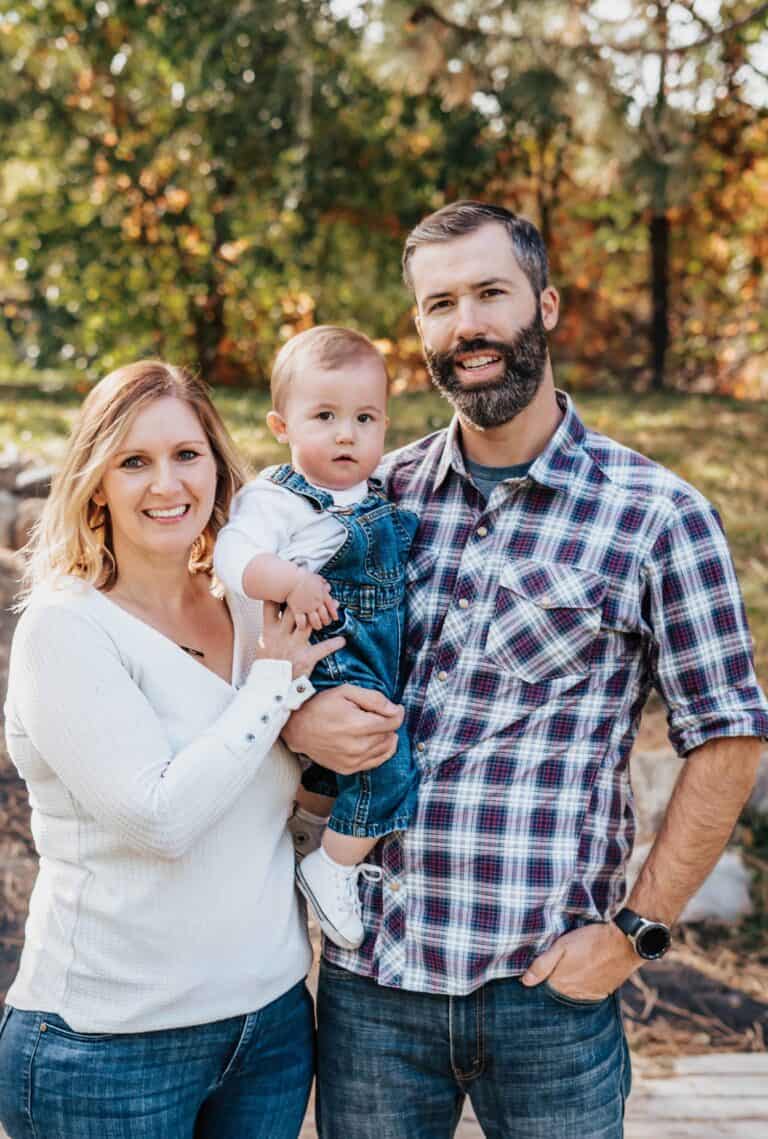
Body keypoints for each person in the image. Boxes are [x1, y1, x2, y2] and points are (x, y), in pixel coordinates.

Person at [282, 202, 768, 1138]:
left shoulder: (658, 515)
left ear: (544, 305)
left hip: (549, 994)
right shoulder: (371, 501)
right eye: (439, 304)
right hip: (374, 984)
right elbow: (274, 655)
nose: (467, 325)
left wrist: (635, 933)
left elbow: (731, 738)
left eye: (490, 294)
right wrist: (303, 723)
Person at [0, 360, 348, 1139]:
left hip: (270, 1028)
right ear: (96, 483)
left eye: (186, 455)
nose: (167, 483)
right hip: (107, 1046)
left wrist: (326, 789)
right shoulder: (66, 629)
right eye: (134, 461)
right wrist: (277, 685)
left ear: (219, 469)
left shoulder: (255, 615)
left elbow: (267, 821)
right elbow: (160, 819)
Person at [214, 326, 419, 951]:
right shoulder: (279, 499)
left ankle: (308, 834)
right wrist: (292, 580)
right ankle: (333, 866)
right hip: (326, 657)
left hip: (373, 660)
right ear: (282, 426)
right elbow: (232, 553)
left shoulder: (376, 495)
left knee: (340, 772)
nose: (346, 434)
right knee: (387, 763)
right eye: (324, 416)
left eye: (365, 418)